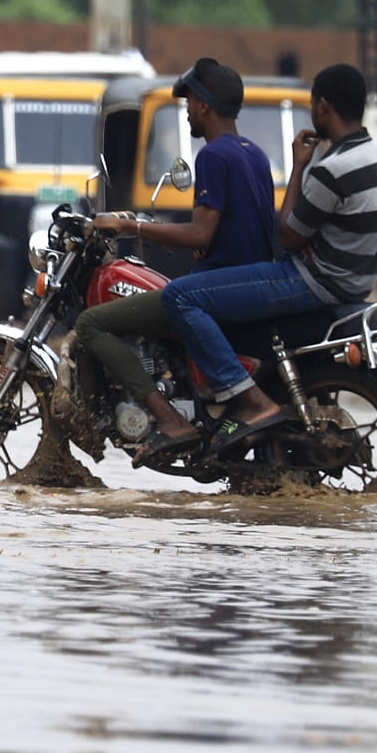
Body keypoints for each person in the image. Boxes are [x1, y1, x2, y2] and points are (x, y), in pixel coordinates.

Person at [159, 63, 377, 450]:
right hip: (355, 282)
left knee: (179, 296)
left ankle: (247, 401)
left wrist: (300, 166)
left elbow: (287, 233)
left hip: (313, 281)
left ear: (322, 107)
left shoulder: (331, 169)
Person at [73, 58, 273, 463]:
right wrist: (163, 230)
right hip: (246, 284)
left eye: (190, 101)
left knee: (91, 324)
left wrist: (131, 228)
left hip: (216, 291)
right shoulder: (255, 154)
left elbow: (200, 233)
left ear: (205, 106)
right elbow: (221, 230)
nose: (186, 110)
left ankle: (169, 419)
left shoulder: (214, 156)